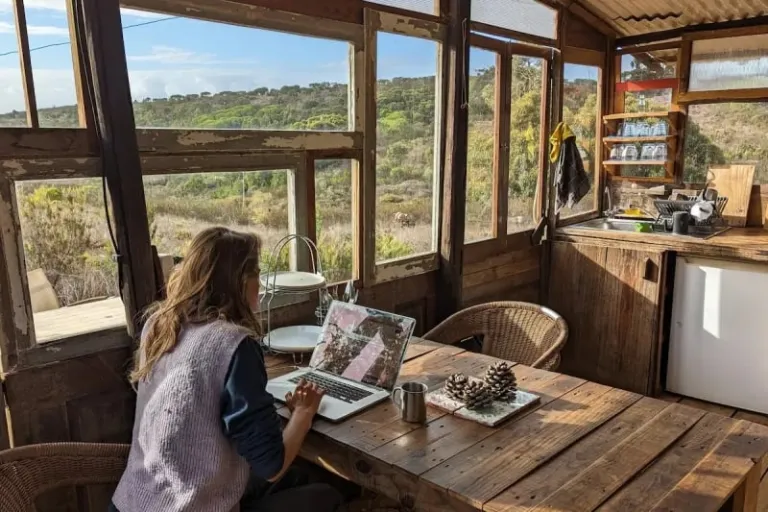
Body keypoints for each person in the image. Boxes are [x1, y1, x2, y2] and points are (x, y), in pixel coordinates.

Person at [110, 227, 342, 512]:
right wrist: (304, 414)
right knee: (327, 496)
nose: (261, 285)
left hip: (133, 502)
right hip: (189, 506)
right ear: (241, 282)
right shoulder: (234, 345)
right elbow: (271, 466)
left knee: (298, 478)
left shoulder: (159, 325)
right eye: (257, 274)